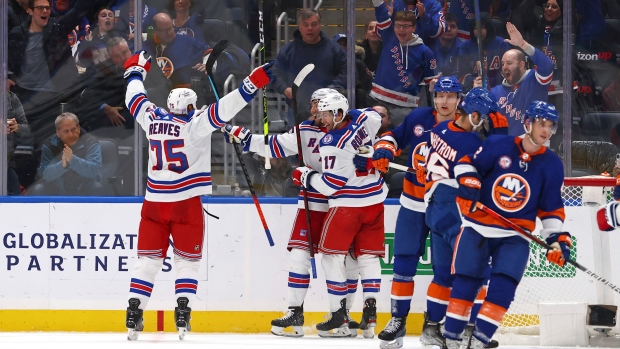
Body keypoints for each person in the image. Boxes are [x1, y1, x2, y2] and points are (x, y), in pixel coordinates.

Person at [121, 50, 273, 340]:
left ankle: (134, 310)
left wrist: (135, 71)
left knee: (147, 261)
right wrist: (253, 83)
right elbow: (225, 108)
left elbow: (134, 98)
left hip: (153, 203)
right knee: (186, 262)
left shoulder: (152, 119)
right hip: (185, 205)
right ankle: (183, 311)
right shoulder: (195, 125)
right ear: (192, 106)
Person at [443, 100, 569, 349]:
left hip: (515, 235)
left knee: (504, 288)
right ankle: (451, 340)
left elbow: (551, 207)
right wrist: (468, 182)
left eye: (550, 126)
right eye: (541, 123)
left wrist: (556, 238)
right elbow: (466, 164)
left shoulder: (552, 164)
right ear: (528, 123)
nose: (545, 130)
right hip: (478, 227)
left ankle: (480, 341)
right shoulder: (497, 144)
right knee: (466, 284)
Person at [222, 88, 334, 337]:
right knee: (299, 257)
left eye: (321, 105)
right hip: (312, 202)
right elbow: (274, 145)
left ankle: (340, 317)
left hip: (341, 204)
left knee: (338, 262)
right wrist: (244, 136)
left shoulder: (349, 130)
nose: (315, 110)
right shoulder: (305, 129)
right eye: (314, 104)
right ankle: (295, 314)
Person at [371, 76, 462, 349]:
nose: (444, 101)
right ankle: (398, 322)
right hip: (413, 203)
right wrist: (384, 149)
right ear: (434, 97)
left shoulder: (467, 126)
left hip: (446, 207)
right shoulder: (419, 118)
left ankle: (433, 326)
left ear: (459, 99)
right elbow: (392, 137)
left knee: (445, 271)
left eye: (450, 96)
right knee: (403, 264)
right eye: (440, 95)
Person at [293, 92, 385, 338]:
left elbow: (331, 185)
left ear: (338, 114)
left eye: (325, 114)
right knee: (368, 257)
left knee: (330, 257)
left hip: (348, 206)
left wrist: (305, 176)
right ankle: (371, 311)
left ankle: (338, 313)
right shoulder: (365, 119)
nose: (320, 119)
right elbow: (376, 115)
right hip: (375, 201)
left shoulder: (331, 142)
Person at [421, 88, 505, 349]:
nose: (485, 122)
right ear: (476, 114)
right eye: (484, 117)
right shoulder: (471, 143)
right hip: (456, 207)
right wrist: (500, 135)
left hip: (435, 207)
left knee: (443, 275)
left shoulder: (439, 130)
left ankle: (431, 329)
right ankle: (469, 330)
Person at [271, 9, 347, 128]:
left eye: (314, 24)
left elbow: (347, 73)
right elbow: (275, 74)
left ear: (320, 25)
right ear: (299, 26)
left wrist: (330, 90)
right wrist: (285, 88)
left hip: (330, 111)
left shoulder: (335, 49)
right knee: (297, 146)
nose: (310, 28)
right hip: (296, 111)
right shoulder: (288, 51)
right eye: (305, 25)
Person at [78, 37, 171, 133]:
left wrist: (141, 95)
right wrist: (106, 108)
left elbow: (165, 86)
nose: (123, 58)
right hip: (124, 117)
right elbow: (87, 93)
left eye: (124, 53)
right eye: (117, 56)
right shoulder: (106, 72)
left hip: (151, 110)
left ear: (130, 50)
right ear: (111, 57)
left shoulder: (146, 63)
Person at [370, 0, 439, 126]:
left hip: (405, 107)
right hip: (378, 100)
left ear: (414, 28)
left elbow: (432, 83)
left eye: (406, 26)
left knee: (403, 140)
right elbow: (381, 14)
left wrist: (435, 85)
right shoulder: (389, 35)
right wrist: (378, 2)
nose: (401, 30)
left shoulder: (425, 52)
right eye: (398, 26)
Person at [486, 22, 554, 136]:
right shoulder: (495, 92)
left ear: (521, 65)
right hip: (507, 149)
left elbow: (547, 66)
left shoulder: (535, 80)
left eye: (509, 63)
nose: (505, 67)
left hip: (533, 146)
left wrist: (523, 44)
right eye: (503, 64)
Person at [29, 112, 104, 196]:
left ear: (78, 128)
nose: (71, 135)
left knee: (97, 187)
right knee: (38, 189)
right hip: (56, 188)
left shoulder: (91, 142)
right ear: (58, 133)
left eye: (73, 129)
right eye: (66, 131)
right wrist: (63, 165)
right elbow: (45, 174)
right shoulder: (49, 145)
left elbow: (94, 171)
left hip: (84, 187)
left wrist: (72, 159)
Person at [143, 12, 211, 88]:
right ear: (155, 31)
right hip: (154, 93)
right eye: (165, 30)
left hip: (183, 92)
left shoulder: (188, 43)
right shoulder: (145, 47)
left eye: (171, 28)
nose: (169, 33)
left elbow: (209, 53)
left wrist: (207, 64)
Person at [458, 12, 512, 90]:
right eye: (476, 28)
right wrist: (474, 82)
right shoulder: (466, 47)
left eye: (482, 27)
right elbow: (461, 74)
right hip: (474, 89)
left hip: (499, 89)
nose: (478, 31)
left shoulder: (502, 44)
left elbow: (509, 71)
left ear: (489, 28)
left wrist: (489, 82)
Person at [7, 87, 31, 195]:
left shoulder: (12, 98)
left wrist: (16, 127)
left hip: (6, 163)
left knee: (17, 199)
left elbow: (26, 129)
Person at [429, 13, 462, 77]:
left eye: (452, 26)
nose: (448, 29)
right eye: (445, 26)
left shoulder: (462, 48)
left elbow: (459, 74)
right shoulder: (429, 46)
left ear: (457, 30)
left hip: (454, 85)